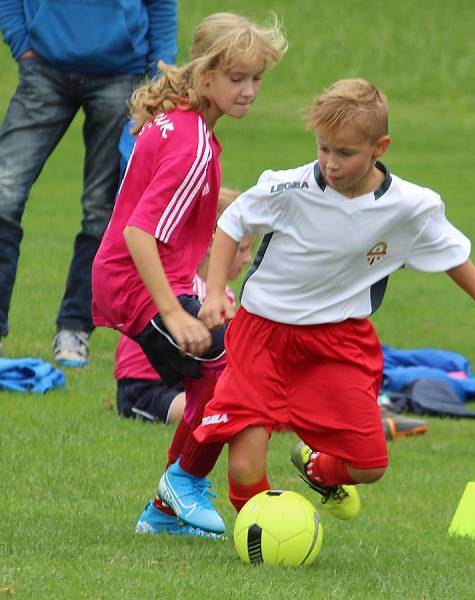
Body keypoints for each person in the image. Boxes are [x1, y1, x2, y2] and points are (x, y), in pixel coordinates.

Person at [154, 78, 475, 534]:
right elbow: (231, 222)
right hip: (261, 335)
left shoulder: (411, 206)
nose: (330, 162)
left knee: (369, 464)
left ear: (379, 147)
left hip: (339, 342)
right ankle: (266, 540)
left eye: (345, 153)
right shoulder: (288, 187)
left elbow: (452, 253)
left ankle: (318, 471)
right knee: (244, 468)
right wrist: (212, 294)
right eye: (323, 148)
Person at [91, 12, 287, 537]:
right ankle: (182, 482)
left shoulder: (186, 125)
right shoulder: (192, 142)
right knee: (231, 372)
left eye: (256, 78)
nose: (249, 91)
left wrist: (210, 292)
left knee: (220, 371)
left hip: (151, 279)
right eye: (237, 78)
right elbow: (139, 233)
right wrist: (175, 311)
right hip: (138, 284)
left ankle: (163, 511)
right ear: (205, 79)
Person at [0, 0, 178, 365]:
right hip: (43, 69)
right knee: (3, 194)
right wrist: (22, 43)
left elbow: (161, 5)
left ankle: (74, 327)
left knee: (102, 208)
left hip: (121, 76)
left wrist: (158, 80)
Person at [114, 188, 254, 424]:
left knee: (234, 405)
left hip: (184, 381)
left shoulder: (221, 294)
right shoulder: (187, 291)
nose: (248, 257)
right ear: (213, 243)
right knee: (219, 413)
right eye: (242, 249)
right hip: (144, 390)